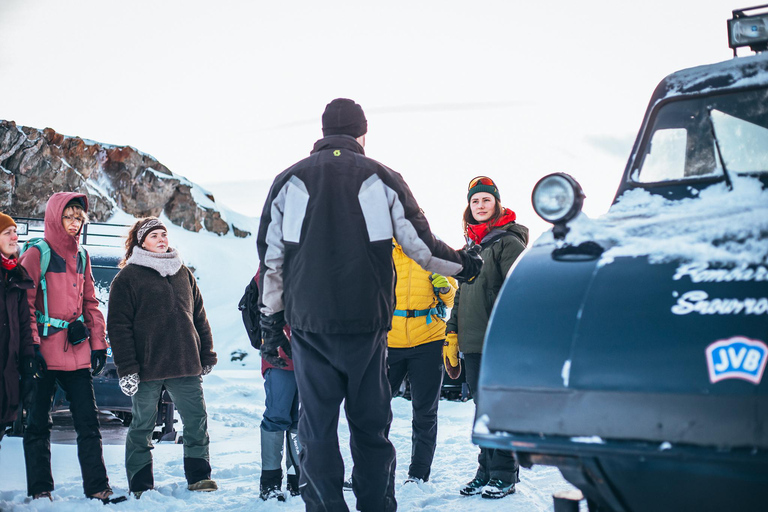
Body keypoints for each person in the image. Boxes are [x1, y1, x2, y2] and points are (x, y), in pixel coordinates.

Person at [256, 98, 482, 512]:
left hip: (310, 325)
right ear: (363, 133)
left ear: (322, 133)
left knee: (317, 429)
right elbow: (422, 248)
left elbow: (271, 261)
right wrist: (465, 265)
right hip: (367, 325)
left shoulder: (288, 180)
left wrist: (271, 323)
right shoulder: (382, 177)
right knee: (370, 427)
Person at [18, 193, 121, 503]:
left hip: (76, 352)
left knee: (88, 423)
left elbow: (91, 303)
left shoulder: (83, 257)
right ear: (55, 218)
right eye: (69, 217)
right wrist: (31, 347)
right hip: (44, 352)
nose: (75, 224)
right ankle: (40, 490)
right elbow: (25, 303)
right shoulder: (38, 254)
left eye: (79, 218)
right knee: (37, 424)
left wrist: (98, 344)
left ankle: (98, 488)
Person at [107, 217, 218, 498]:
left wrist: (206, 353)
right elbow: (118, 327)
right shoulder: (128, 277)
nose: (161, 239)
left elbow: (200, 317)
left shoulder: (183, 273)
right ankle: (140, 483)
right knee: (142, 426)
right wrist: (127, 369)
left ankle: (199, 477)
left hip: (185, 362)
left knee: (196, 421)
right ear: (141, 241)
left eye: (163, 234)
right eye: (154, 235)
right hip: (147, 366)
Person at [444, 176, 529, 499]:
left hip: (499, 341)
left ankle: (505, 473)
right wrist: (452, 331)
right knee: (483, 409)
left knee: (499, 408)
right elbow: (462, 295)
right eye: (475, 201)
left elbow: (519, 290)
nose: (480, 206)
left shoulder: (508, 242)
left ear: (497, 204)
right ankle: (486, 470)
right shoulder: (471, 246)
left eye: (486, 200)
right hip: (473, 342)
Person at [387, 241, 458, 485]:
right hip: (390, 342)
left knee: (425, 412)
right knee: (373, 410)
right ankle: (371, 469)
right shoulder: (382, 251)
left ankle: (418, 474)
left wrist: (444, 288)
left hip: (428, 340)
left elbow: (451, 300)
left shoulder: (436, 252)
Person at [242, 271, 301, 502]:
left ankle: (298, 479)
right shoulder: (273, 261)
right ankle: (270, 482)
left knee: (302, 418)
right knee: (277, 416)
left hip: (312, 357)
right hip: (279, 355)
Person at [0, 213, 36, 444]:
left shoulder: (15, 275)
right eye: (7, 233)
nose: (15, 237)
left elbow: (24, 324)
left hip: (7, 376)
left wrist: (28, 358)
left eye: (15, 232)